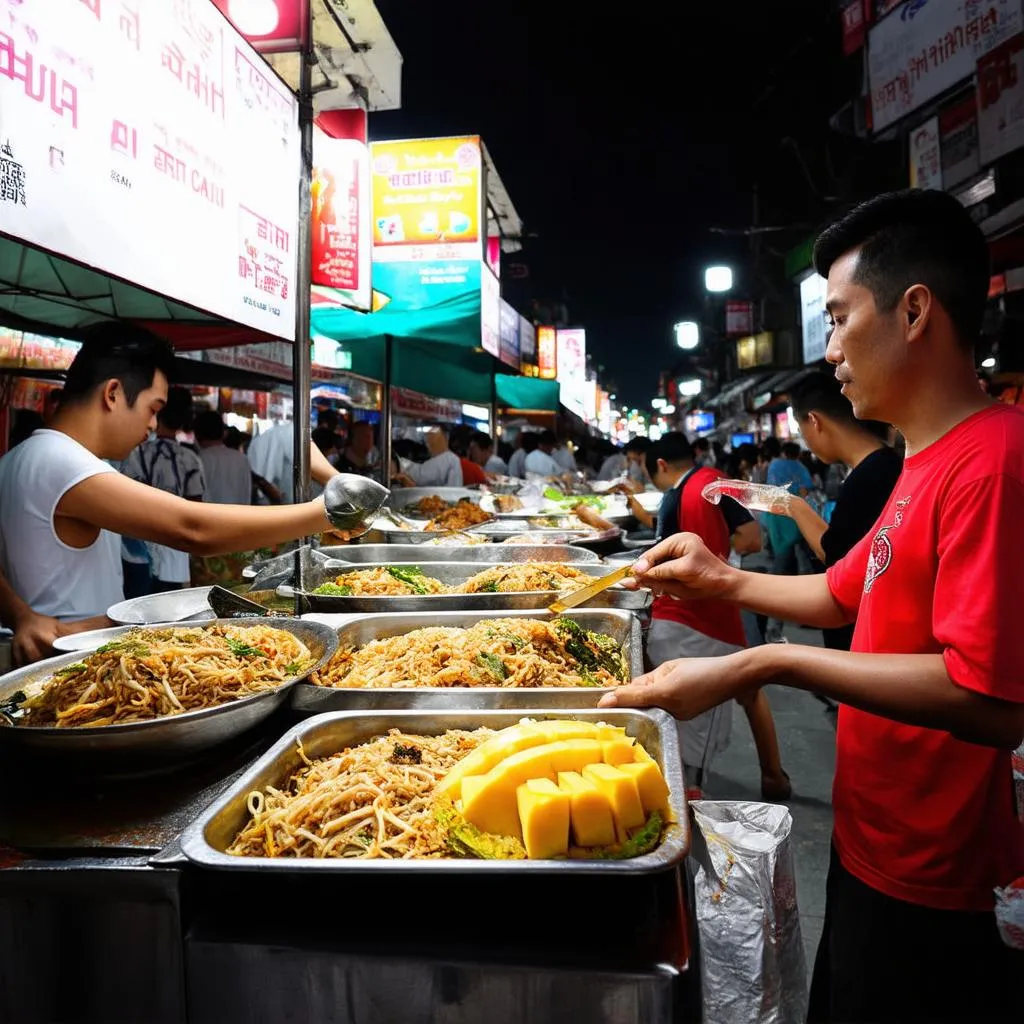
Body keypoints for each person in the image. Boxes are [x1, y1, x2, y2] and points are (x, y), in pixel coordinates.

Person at [600, 190, 1024, 1023]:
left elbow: (989, 699)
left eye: (838, 318)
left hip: (941, 880)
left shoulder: (994, 461)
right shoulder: (920, 462)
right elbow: (840, 590)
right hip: (871, 842)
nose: (829, 350)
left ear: (913, 312)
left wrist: (760, 661)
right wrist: (718, 578)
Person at [0, 324, 339, 650]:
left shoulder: (17, 459)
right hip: (64, 662)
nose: (151, 425)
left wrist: (21, 615)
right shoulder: (59, 460)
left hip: (67, 645)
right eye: (153, 409)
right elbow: (191, 529)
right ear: (113, 394)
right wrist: (326, 513)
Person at [643, 433, 789, 800]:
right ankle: (772, 775)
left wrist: (721, 562)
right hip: (710, 610)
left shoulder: (701, 487)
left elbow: (752, 538)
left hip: (701, 618)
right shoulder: (704, 484)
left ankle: (692, 804)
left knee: (699, 720)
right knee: (748, 688)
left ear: (661, 465)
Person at [779, 372, 902, 650]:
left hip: (866, 645)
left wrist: (793, 507)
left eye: (802, 432)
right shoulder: (886, 466)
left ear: (814, 421)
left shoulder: (869, 478)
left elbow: (839, 562)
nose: (806, 443)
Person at [120, 387, 205, 597]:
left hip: (137, 549)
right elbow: (196, 507)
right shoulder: (190, 459)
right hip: (176, 549)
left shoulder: (136, 453)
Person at [194, 410, 253, 505]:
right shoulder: (241, 459)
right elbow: (246, 494)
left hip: (209, 517)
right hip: (239, 517)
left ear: (197, 434)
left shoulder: (198, 460)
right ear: (223, 434)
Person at [398, 427, 462, 486]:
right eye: (428, 442)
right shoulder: (450, 459)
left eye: (430, 441)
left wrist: (399, 463)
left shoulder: (450, 459)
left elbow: (420, 476)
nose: (428, 445)